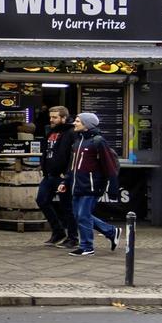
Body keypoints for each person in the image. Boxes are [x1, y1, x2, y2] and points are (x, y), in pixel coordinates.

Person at [66, 112, 120, 257]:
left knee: (83, 215)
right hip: (77, 185)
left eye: (78, 121)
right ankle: (111, 231)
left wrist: (113, 185)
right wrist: (66, 181)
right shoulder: (78, 142)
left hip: (92, 185)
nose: (74, 123)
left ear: (86, 124)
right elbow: (72, 166)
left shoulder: (98, 141)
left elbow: (109, 164)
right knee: (79, 215)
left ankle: (87, 246)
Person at [40, 106, 76, 247]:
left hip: (62, 176)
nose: (51, 120)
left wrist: (67, 175)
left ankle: (73, 238)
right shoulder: (50, 131)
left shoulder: (72, 132)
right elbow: (47, 151)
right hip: (49, 175)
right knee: (42, 200)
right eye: (50, 117)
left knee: (67, 207)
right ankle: (58, 232)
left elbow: (73, 157)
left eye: (55, 117)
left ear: (64, 118)